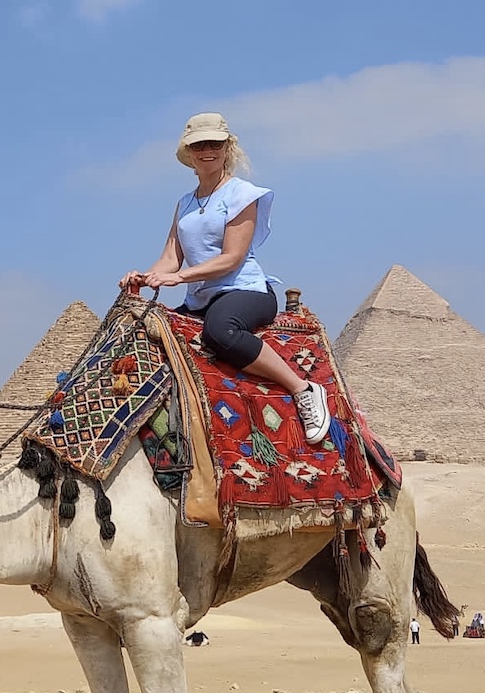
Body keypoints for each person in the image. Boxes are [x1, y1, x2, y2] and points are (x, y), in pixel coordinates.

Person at [119, 112, 330, 445]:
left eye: (215, 143)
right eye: (199, 144)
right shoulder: (185, 203)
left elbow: (231, 258)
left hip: (245, 291)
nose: (207, 150)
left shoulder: (242, 194)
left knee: (220, 332)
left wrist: (181, 277)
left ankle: (303, 389)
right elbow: (171, 258)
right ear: (188, 153)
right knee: (149, 335)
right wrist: (144, 277)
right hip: (199, 298)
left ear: (227, 147)